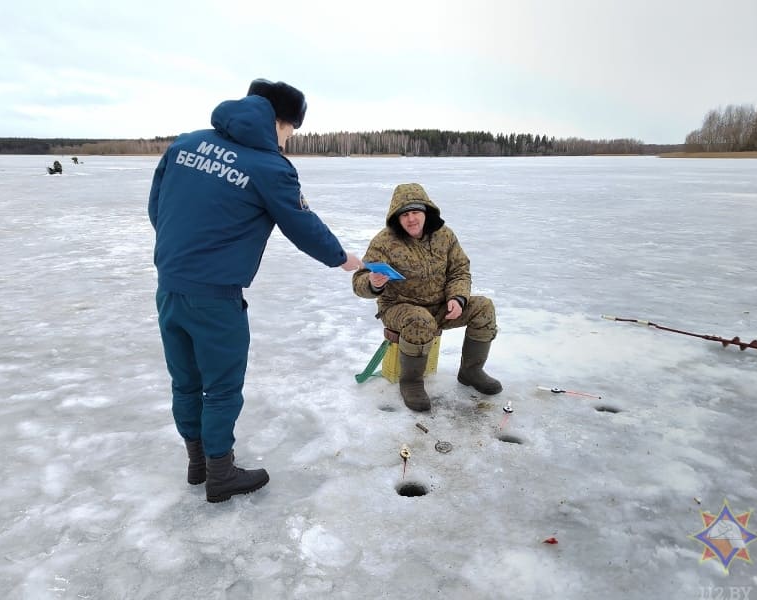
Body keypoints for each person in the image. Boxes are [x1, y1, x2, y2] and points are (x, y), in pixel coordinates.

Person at [148, 78, 362, 502]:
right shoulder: (269, 166)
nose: (288, 141)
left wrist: (183, 255)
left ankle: (198, 464)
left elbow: (157, 207)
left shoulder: (186, 145)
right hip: (215, 295)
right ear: (280, 121)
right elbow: (301, 225)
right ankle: (221, 475)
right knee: (222, 386)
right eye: (290, 132)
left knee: (185, 381)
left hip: (170, 285)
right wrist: (343, 259)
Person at [352, 183, 502, 412]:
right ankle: (411, 382)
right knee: (420, 319)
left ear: (425, 212)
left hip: (440, 306)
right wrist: (372, 283)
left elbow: (460, 270)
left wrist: (458, 298)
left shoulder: (445, 235)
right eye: (405, 214)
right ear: (396, 218)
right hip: (398, 308)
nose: (411, 219)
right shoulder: (384, 241)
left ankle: (471, 371)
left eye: (415, 212)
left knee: (484, 307)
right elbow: (358, 281)